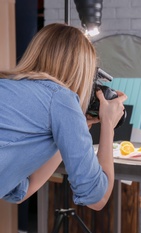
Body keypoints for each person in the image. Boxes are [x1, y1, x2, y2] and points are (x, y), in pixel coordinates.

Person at [0, 23, 127, 211]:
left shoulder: (7, 86)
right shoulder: (61, 99)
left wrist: (69, 132)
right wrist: (108, 124)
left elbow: (18, 191)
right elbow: (96, 198)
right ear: (81, 72)